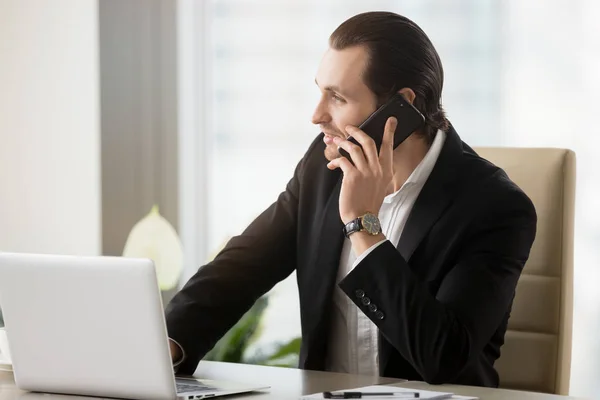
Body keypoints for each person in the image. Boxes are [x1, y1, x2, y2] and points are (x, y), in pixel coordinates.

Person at [165, 11, 537, 388]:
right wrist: (167, 343)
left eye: (337, 98)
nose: (316, 115)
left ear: (399, 108)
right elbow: (242, 268)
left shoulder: (495, 208)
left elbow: (442, 357)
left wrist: (363, 225)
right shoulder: (324, 165)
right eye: (320, 91)